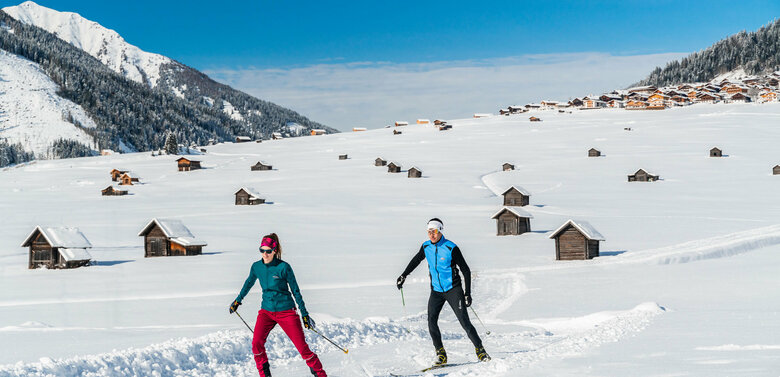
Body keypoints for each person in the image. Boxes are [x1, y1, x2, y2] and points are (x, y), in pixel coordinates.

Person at [230, 233, 327, 377]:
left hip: (286, 311)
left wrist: (305, 314)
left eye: (268, 251)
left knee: (303, 348)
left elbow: (296, 291)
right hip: (266, 311)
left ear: (274, 251)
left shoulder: (283, 267)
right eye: (262, 250)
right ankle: (265, 375)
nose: (265, 254)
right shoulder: (257, 267)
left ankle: (320, 374)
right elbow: (248, 283)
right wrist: (238, 300)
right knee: (256, 344)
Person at [396, 218, 490, 365]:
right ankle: (441, 353)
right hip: (436, 291)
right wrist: (403, 275)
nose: (431, 235)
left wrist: (467, 293)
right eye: (429, 232)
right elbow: (415, 261)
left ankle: (480, 350)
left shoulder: (451, 247)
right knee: (431, 321)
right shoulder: (426, 246)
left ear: (440, 231)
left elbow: (465, 270)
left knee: (464, 321)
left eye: (434, 232)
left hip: (453, 289)